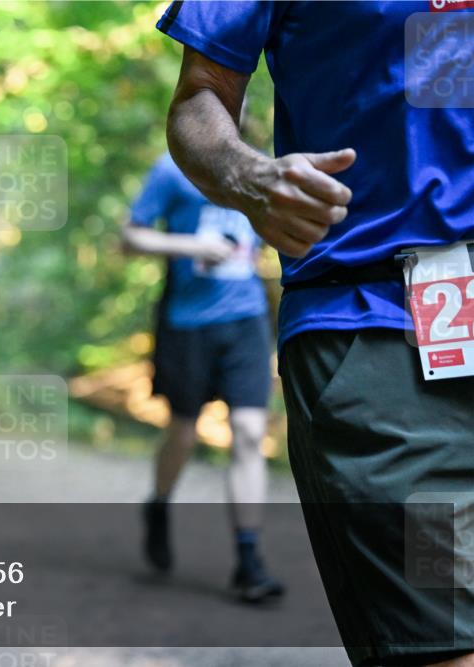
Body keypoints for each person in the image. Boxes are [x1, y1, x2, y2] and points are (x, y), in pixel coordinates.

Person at [156, 2, 472, 665]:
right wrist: (248, 177)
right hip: (382, 331)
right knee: (446, 644)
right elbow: (199, 100)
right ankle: (209, 531)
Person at [122, 152, 283, 604]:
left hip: (247, 320)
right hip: (187, 324)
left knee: (250, 433)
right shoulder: (172, 170)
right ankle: (158, 504)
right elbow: (129, 237)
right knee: (184, 432)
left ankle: (249, 561)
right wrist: (190, 246)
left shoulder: (260, 166)